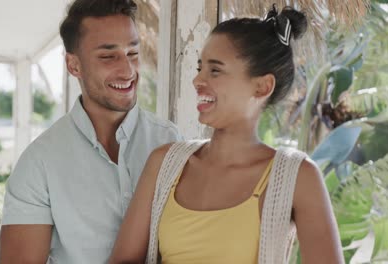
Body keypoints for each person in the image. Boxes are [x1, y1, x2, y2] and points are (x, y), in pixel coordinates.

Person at [109, 5, 344, 264]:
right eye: (200, 68)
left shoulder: (297, 176)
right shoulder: (164, 164)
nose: (197, 80)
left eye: (215, 70)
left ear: (262, 86)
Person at [0, 0, 182, 263]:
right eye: (108, 56)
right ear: (74, 66)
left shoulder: (172, 142)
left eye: (132, 53)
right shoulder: (39, 163)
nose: (128, 70)